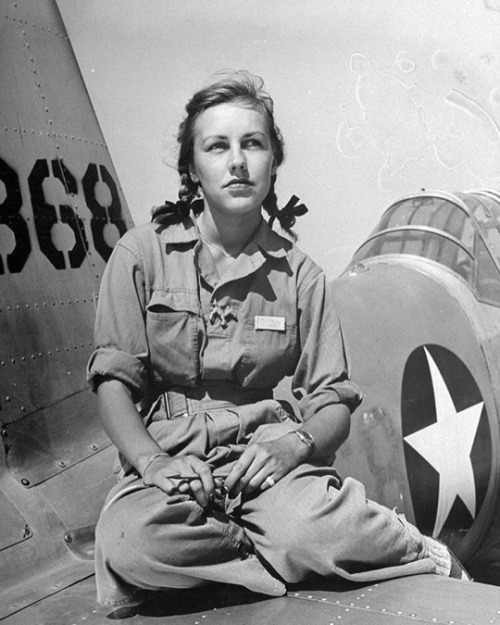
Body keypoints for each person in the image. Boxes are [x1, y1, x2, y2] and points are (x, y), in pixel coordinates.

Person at [87, 71, 470, 608]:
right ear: (192, 168)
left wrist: (295, 446)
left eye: (253, 144)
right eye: (217, 146)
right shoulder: (140, 255)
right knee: (132, 546)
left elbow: (332, 402)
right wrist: (153, 464)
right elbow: (113, 383)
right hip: (172, 460)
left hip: (264, 456)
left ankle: (410, 546)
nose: (237, 161)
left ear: (272, 163)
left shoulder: (301, 276)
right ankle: (277, 553)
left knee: (320, 530)